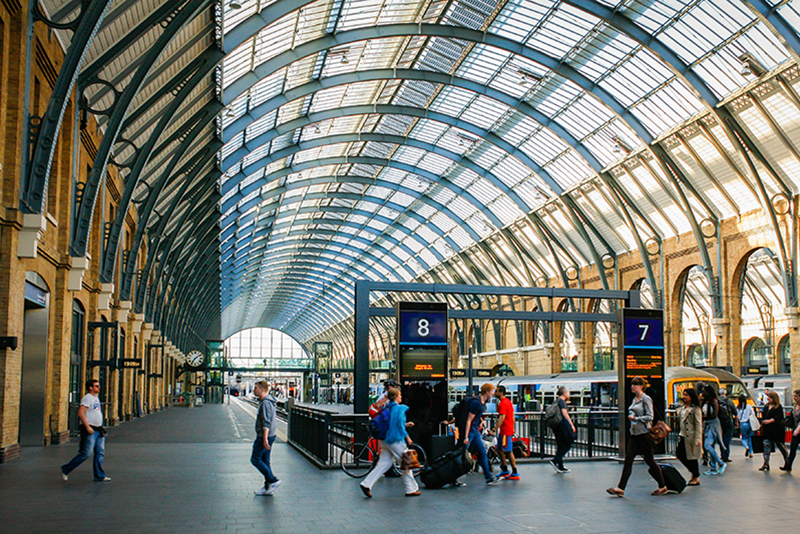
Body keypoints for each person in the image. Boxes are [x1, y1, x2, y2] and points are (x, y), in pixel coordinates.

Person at [606, 377, 667, 497]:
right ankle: (620, 488)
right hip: (634, 434)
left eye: (635, 384)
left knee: (650, 460)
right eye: (632, 384)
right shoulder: (635, 399)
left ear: (641, 386)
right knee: (628, 460)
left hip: (644, 434)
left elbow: (650, 416)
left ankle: (662, 485)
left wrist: (636, 419)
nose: (632, 386)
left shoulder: (646, 399)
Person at [360, 388, 419, 497]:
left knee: (384, 464)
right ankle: (411, 489)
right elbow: (399, 426)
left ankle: (366, 484)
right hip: (395, 440)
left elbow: (391, 424)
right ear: (396, 396)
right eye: (400, 395)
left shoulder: (386, 408)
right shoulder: (399, 409)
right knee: (405, 463)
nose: (401, 396)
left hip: (384, 440)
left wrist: (406, 425)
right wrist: (407, 437)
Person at [61, 379, 110, 482]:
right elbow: (80, 413)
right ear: (90, 388)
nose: (99, 388)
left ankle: (99, 475)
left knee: (100, 452)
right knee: (86, 453)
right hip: (91, 430)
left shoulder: (95, 398)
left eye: (98, 386)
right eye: (97, 386)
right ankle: (66, 469)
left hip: (98, 429)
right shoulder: (87, 398)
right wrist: (87, 427)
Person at [463, 383, 499, 486]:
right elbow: (469, 420)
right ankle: (452, 476)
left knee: (483, 451)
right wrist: (465, 436)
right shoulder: (476, 403)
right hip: (470, 432)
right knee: (462, 453)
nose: (493, 393)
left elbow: (475, 418)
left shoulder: (482, 403)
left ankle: (488, 477)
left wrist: (480, 422)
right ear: (487, 392)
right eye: (492, 391)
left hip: (474, 431)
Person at [252, 380, 281, 496]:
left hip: (265, 436)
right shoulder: (267, 401)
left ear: (261, 389)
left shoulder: (265, 403)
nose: (254, 391)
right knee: (265, 461)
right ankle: (268, 487)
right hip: (270, 435)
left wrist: (264, 439)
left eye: (255, 388)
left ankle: (273, 480)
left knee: (255, 459)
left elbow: (266, 423)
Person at [490, 385, 519, 480]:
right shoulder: (508, 402)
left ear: (501, 392)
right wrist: (513, 428)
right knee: (499, 449)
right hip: (506, 430)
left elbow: (501, 418)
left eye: (496, 391)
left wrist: (494, 429)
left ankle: (514, 472)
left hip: (505, 431)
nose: (494, 393)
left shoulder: (502, 404)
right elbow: (513, 416)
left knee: (508, 451)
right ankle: (505, 469)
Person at [675, 388, 703, 486]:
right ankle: (694, 474)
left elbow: (698, 424)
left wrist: (698, 438)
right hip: (682, 435)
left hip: (691, 436)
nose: (684, 397)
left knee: (692, 457)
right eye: (684, 394)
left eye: (686, 395)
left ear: (692, 397)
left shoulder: (695, 409)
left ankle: (695, 477)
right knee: (680, 454)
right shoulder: (683, 407)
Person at [760, 390, 788, 471]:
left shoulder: (778, 407)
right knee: (766, 447)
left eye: (770, 397)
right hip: (767, 431)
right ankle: (766, 463)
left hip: (776, 431)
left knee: (781, 447)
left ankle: (787, 461)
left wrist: (769, 421)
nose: (768, 399)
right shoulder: (766, 406)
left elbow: (779, 418)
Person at [550, 386, 576, 474]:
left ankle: (560, 466)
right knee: (568, 443)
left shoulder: (556, 401)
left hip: (556, 426)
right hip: (562, 425)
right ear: (564, 393)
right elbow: (564, 413)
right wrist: (571, 424)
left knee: (560, 444)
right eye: (567, 392)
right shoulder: (562, 402)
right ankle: (555, 460)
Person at [701, 385, 726, 475]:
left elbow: (715, 414)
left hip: (713, 424)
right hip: (708, 424)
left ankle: (720, 463)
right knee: (711, 446)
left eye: (704, 391)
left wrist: (705, 417)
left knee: (707, 445)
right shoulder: (705, 402)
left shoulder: (714, 401)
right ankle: (713, 468)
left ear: (708, 392)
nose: (702, 393)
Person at [781, 390, 800, 473]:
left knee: (793, 448)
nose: (794, 398)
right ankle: (788, 466)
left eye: (796, 396)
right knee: (793, 448)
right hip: (795, 430)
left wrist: (798, 429)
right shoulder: (795, 406)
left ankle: (788, 465)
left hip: (797, 430)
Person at [718, 388, 737, 463]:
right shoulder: (729, 401)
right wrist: (736, 422)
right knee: (727, 439)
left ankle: (722, 454)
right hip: (728, 422)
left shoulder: (717, 401)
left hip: (719, 423)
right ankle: (726, 455)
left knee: (721, 439)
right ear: (726, 393)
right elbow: (735, 412)